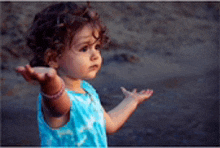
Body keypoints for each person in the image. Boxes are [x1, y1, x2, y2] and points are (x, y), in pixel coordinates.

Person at [16, 2, 153, 147]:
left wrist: (131, 101)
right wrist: (50, 82)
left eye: (97, 47)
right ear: (53, 58)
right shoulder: (58, 99)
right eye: (84, 48)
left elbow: (110, 124)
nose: (95, 55)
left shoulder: (87, 90)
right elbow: (57, 104)